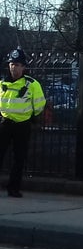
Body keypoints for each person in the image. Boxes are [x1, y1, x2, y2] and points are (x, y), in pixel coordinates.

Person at [0, 47, 46, 198]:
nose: (15, 68)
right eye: (12, 64)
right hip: (4, 124)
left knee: (19, 159)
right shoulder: (2, 83)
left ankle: (14, 188)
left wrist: (32, 116)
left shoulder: (32, 84)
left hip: (22, 125)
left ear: (24, 67)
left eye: (18, 65)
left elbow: (39, 105)